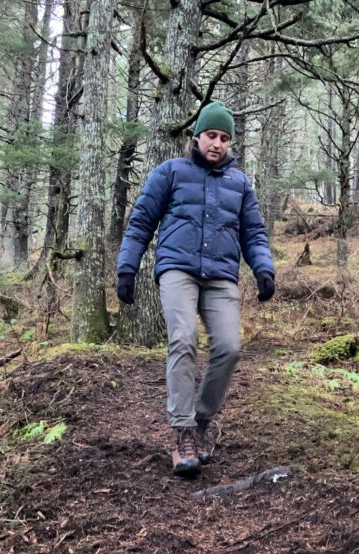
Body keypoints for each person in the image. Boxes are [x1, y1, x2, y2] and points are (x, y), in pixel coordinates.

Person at [116, 101, 276, 477]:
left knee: (229, 347)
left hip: (221, 275)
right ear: (196, 137)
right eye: (211, 136)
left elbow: (253, 232)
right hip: (177, 269)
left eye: (224, 138)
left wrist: (264, 270)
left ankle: (201, 420)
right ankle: (183, 431)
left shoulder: (240, 184)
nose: (217, 143)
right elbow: (141, 222)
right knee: (184, 339)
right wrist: (127, 268)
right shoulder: (170, 173)